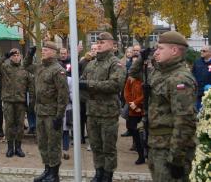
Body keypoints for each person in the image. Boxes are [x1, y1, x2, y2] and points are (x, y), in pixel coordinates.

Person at [130, 32, 197, 181]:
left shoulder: (180, 79)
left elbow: (185, 122)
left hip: (170, 149)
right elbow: (133, 72)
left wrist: (176, 158)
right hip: (157, 145)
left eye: (160, 48)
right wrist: (142, 57)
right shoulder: (159, 73)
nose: (156, 52)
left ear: (174, 51)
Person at [79, 32, 126, 182]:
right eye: (98, 42)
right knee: (96, 145)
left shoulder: (115, 63)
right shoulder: (91, 63)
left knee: (108, 148)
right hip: (92, 111)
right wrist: (88, 91)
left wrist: (90, 86)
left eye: (103, 42)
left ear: (112, 45)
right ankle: (98, 172)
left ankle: (107, 175)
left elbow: (115, 85)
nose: (99, 44)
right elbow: (81, 83)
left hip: (108, 113)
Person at [24, 43, 69, 182]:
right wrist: (30, 54)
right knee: (42, 143)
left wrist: (59, 116)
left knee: (53, 144)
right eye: (42, 50)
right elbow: (26, 66)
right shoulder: (40, 67)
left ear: (54, 52)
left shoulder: (58, 70)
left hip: (52, 113)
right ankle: (47, 170)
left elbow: (63, 95)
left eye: (46, 50)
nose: (43, 52)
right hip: (40, 112)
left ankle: (54, 174)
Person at [0, 48, 34, 157]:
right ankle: (10, 148)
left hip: (21, 101)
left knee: (19, 125)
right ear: (10, 56)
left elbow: (31, 86)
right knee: (9, 124)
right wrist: (4, 56)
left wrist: (31, 102)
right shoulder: (4, 67)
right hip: (8, 101)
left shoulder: (25, 68)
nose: (15, 57)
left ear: (20, 56)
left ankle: (18, 147)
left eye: (17, 55)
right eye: (13, 55)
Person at [123, 72, 145, 165]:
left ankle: (146, 153)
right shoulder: (130, 78)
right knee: (135, 133)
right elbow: (126, 92)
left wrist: (136, 103)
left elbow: (146, 95)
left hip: (143, 110)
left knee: (144, 134)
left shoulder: (146, 78)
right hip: (133, 111)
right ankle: (141, 155)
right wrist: (132, 105)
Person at [192, 45, 211, 112]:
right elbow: (192, 75)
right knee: (198, 112)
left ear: (210, 53)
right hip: (198, 93)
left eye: (204, 51)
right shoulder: (197, 62)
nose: (201, 52)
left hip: (209, 94)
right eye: (201, 50)